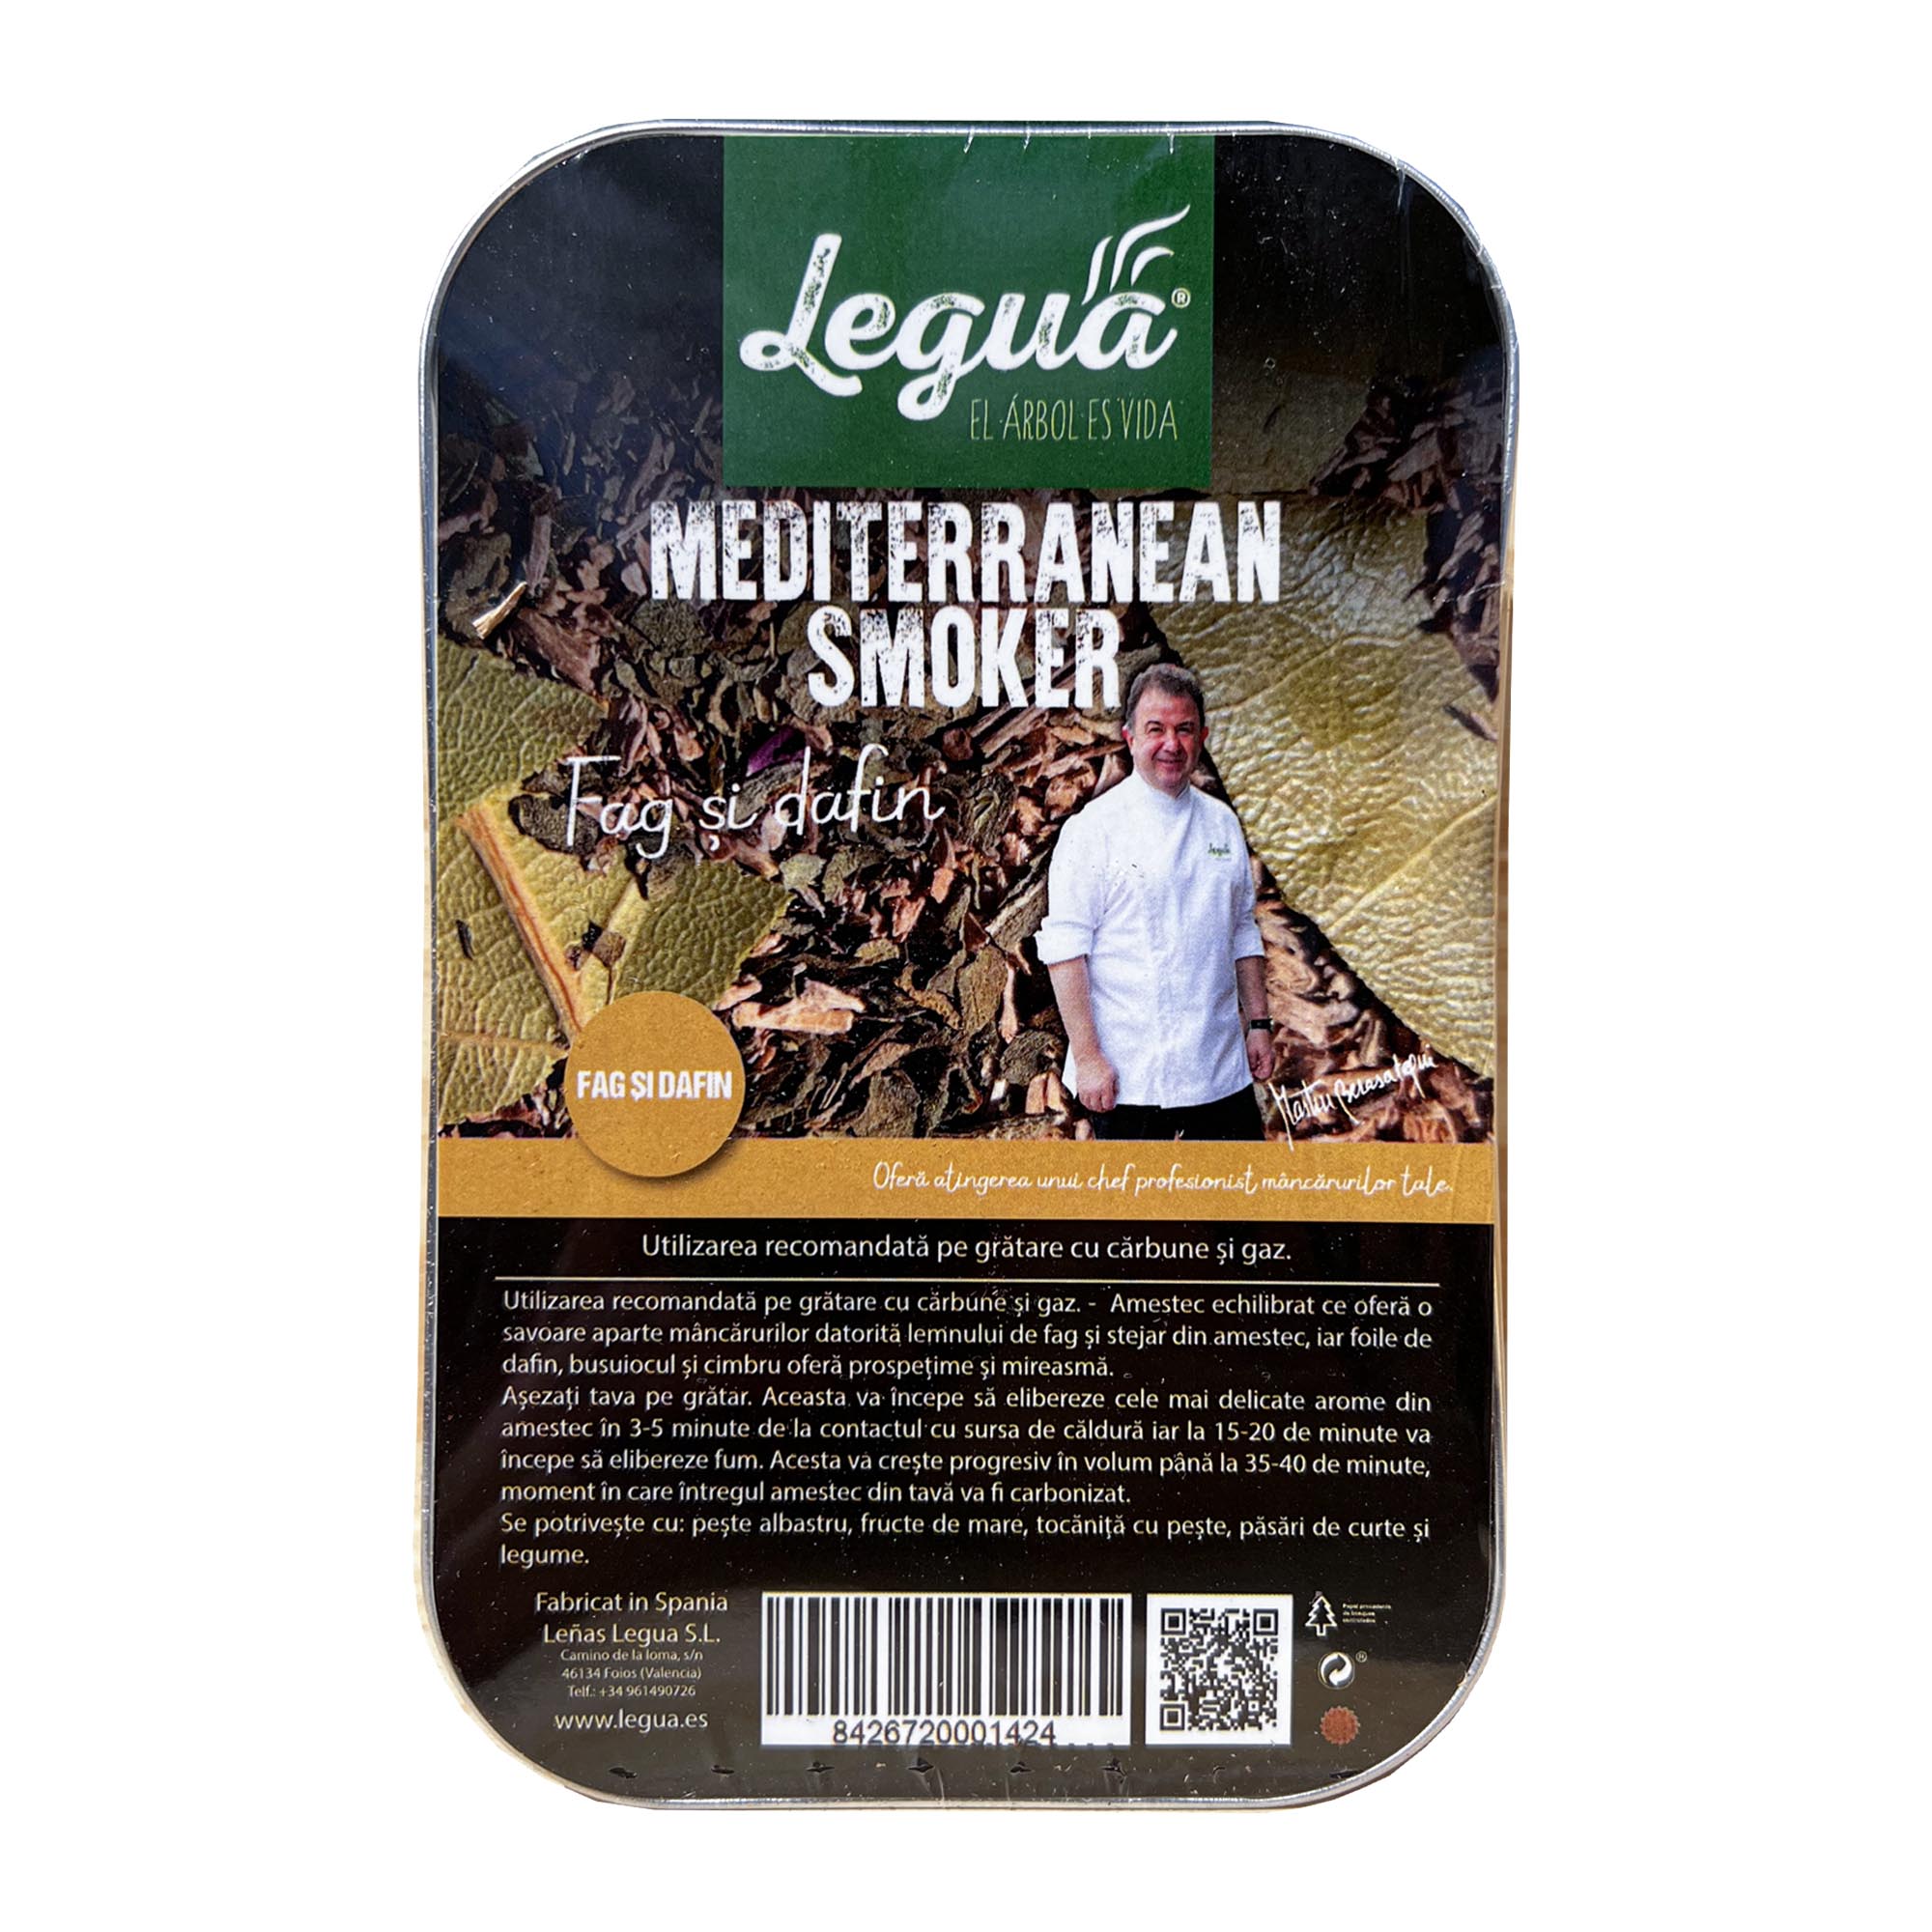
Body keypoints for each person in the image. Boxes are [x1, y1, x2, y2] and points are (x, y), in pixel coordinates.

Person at [1036, 663, 1276, 1140]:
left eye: (1184, 729)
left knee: (1244, 1187)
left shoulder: (1222, 823)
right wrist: (1087, 1057)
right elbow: (1065, 951)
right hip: (1132, 1079)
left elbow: (1242, 930)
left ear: (1202, 738)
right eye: (1156, 730)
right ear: (1129, 738)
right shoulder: (1092, 830)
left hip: (1221, 1071)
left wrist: (1259, 1023)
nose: (1172, 744)